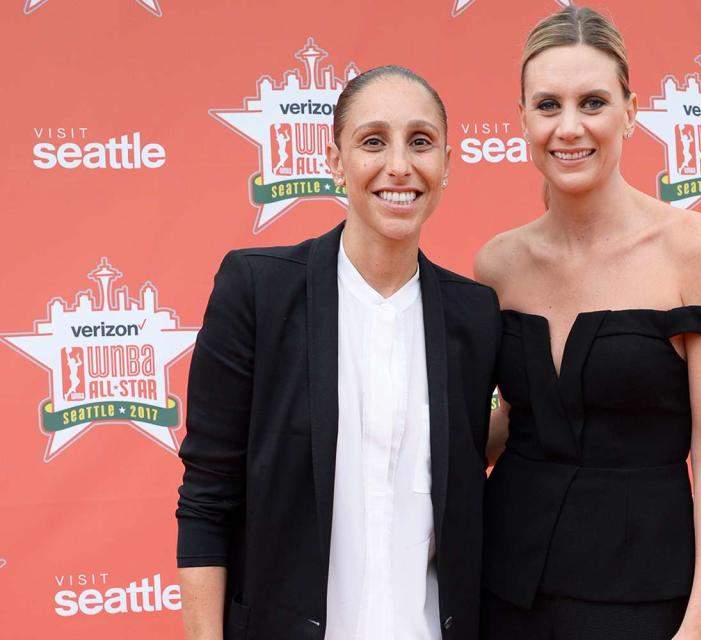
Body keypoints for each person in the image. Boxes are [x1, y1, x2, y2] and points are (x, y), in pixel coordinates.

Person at [176, 66, 500, 640]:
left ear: (447, 165)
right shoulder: (257, 290)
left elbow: (480, 452)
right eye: (373, 141)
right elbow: (206, 500)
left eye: (421, 142)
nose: (399, 165)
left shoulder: (474, 314)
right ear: (335, 162)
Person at [475, 7, 701, 640]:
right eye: (548, 105)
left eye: (592, 102)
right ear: (522, 119)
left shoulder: (696, 249)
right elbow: (512, 424)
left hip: (643, 593)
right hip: (504, 584)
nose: (569, 127)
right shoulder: (498, 263)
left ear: (631, 110)